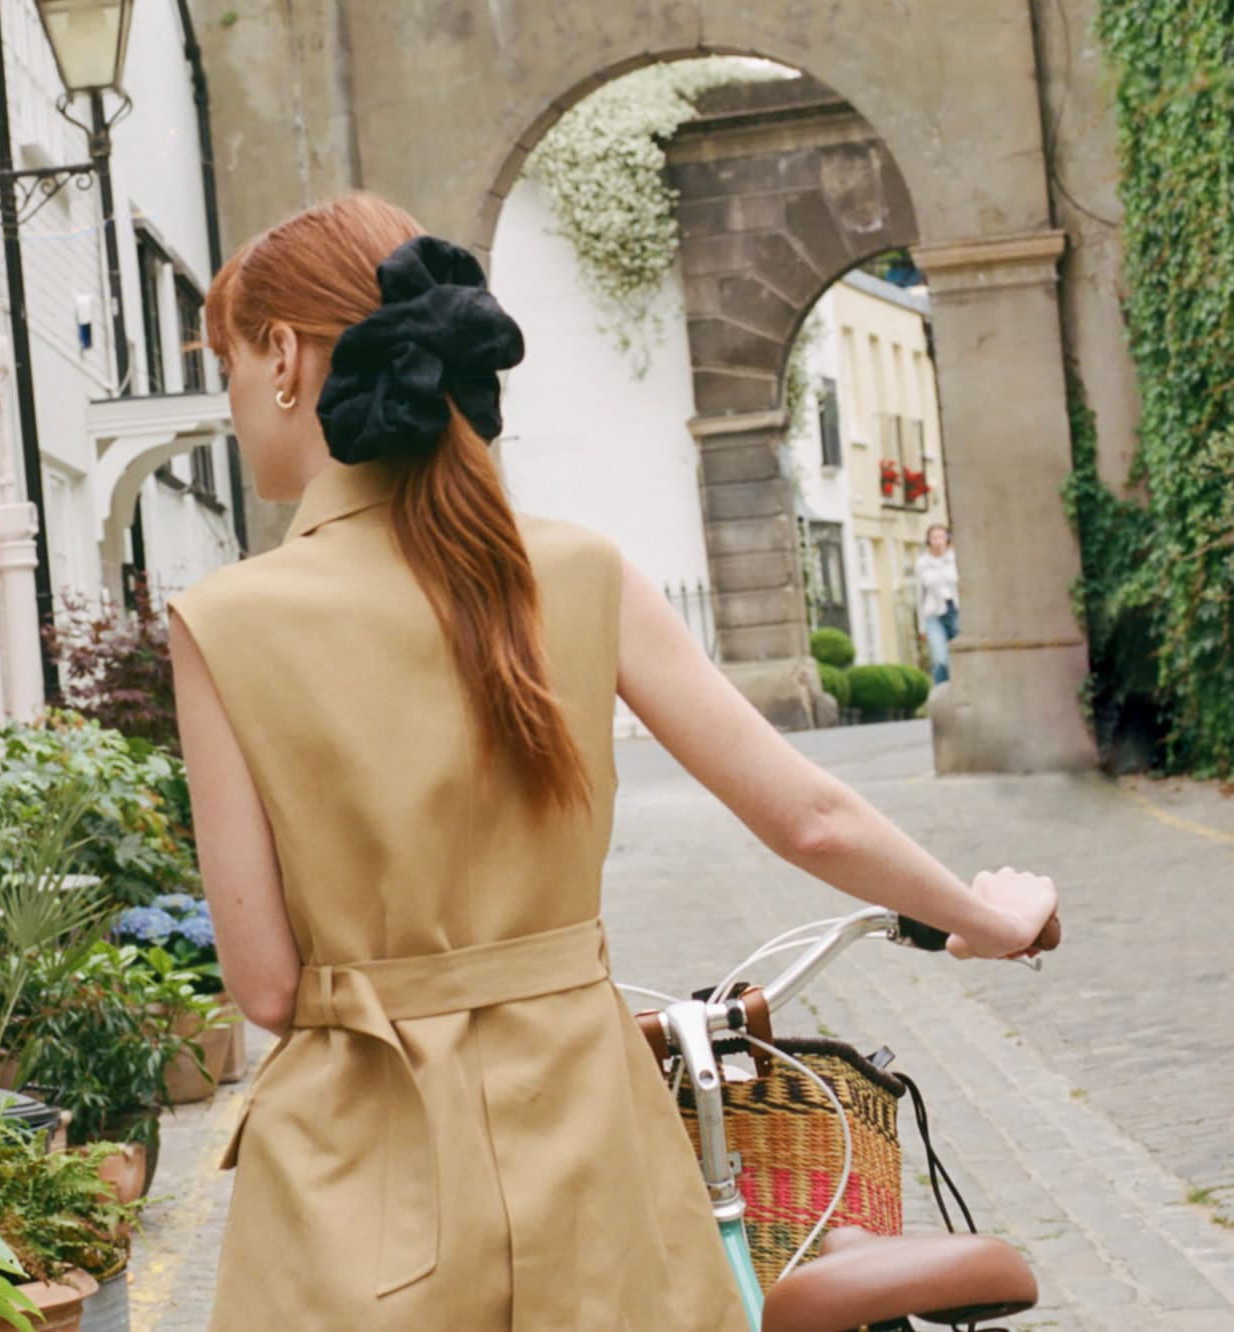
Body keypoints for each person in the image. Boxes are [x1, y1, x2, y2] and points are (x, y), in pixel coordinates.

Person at [166, 194, 1059, 1329]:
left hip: (358, 1184)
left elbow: (267, 988)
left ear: (285, 358)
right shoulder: (577, 571)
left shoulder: (227, 621)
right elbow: (810, 819)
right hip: (590, 1150)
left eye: (232, 363)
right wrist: (982, 917)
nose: (236, 401)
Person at [917, 524, 961, 685]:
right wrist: (922, 627)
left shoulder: (955, 560)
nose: (938, 541)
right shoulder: (922, 564)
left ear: (947, 539)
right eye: (934, 537)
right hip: (934, 614)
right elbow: (920, 596)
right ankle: (942, 695)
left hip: (955, 610)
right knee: (941, 660)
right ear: (928, 541)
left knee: (962, 657)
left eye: (941, 537)